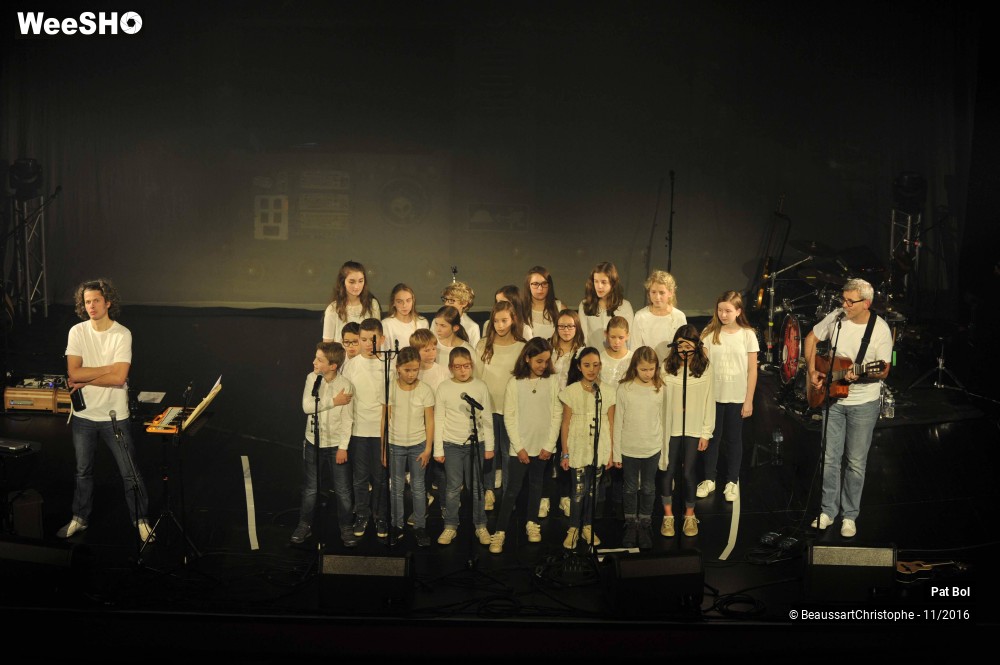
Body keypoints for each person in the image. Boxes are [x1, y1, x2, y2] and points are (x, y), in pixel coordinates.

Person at [59, 278, 152, 541]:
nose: (91, 306)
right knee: (82, 471)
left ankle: (141, 519)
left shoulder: (122, 334)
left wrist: (84, 378)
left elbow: (119, 379)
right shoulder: (77, 332)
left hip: (114, 417)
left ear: (108, 302)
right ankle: (80, 518)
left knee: (129, 472)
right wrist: (106, 368)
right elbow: (72, 372)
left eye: (96, 300)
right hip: (84, 416)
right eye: (87, 302)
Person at [804, 278, 892, 538]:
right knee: (830, 458)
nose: (844, 304)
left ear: (866, 303)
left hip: (863, 403)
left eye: (850, 301)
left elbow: (884, 369)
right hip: (832, 400)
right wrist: (811, 370)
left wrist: (862, 375)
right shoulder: (837, 318)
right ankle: (827, 511)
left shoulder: (881, 330)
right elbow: (811, 339)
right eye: (843, 299)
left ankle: (849, 515)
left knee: (854, 462)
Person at [489, 339, 561, 553]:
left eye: (547, 361)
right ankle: (500, 532)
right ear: (527, 358)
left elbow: (557, 414)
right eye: (539, 361)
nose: (543, 366)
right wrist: (519, 447)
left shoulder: (553, 381)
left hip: (543, 448)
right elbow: (509, 417)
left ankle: (532, 523)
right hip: (519, 448)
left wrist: (549, 445)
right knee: (512, 490)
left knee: (537, 486)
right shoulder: (515, 383)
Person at [291, 342, 355, 547]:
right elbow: (307, 407)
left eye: (319, 359)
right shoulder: (312, 378)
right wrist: (333, 402)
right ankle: (304, 525)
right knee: (310, 488)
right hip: (313, 442)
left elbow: (348, 419)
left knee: (343, 490)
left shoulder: (346, 385)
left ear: (333, 365)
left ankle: (346, 527)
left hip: (336, 444)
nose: (314, 362)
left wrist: (343, 447)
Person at [697, 291, 759, 502]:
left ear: (738, 311)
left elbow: (752, 370)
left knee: (733, 440)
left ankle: (732, 481)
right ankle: (709, 479)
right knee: (712, 439)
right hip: (713, 397)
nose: (723, 314)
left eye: (728, 311)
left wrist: (749, 399)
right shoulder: (709, 333)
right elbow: (702, 367)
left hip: (736, 397)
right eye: (720, 310)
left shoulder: (747, 334)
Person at [434, 347, 495, 546]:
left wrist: (489, 446)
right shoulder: (443, 388)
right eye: (458, 367)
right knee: (453, 488)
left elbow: (486, 417)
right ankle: (450, 525)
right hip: (451, 444)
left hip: (476, 444)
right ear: (451, 367)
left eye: (466, 366)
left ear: (472, 366)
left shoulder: (480, 386)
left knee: (476, 487)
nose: (463, 370)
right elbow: (439, 419)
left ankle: (480, 525)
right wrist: (438, 449)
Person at [659, 325, 715, 538]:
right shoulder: (667, 366)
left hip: (693, 429)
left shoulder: (706, 367)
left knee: (688, 472)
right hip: (670, 428)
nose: (684, 349)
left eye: (688, 345)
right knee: (668, 470)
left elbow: (710, 400)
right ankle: (668, 516)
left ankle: (689, 515)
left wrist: (705, 432)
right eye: (680, 344)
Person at [559, 347, 616, 549]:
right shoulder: (571, 392)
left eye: (595, 365)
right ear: (579, 367)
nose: (592, 369)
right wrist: (565, 452)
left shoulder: (607, 391)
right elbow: (565, 423)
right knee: (578, 490)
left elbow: (611, 423)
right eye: (587, 365)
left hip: (599, 447)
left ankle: (588, 526)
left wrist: (610, 452)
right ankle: (574, 527)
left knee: (594, 491)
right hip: (578, 445)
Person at [474, 301, 527, 511]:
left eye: (504, 320)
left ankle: (507, 494)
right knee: (490, 451)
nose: (500, 325)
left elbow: (522, 379)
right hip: (487, 407)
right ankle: (488, 491)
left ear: (513, 319)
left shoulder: (522, 347)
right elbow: (477, 376)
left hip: (509, 409)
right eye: (496, 321)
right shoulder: (483, 344)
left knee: (508, 452)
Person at [613, 346, 665, 550]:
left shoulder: (660, 388)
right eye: (643, 369)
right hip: (629, 448)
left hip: (652, 447)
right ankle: (631, 523)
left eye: (651, 369)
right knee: (630, 487)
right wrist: (616, 452)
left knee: (649, 487)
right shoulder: (624, 389)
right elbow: (618, 421)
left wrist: (664, 453)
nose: (648, 373)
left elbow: (664, 421)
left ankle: (645, 522)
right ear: (635, 367)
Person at [341, 318, 389, 541]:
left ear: (382, 338)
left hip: (381, 432)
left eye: (373, 339)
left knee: (380, 477)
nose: (368, 344)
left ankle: (380, 516)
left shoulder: (388, 363)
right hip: (359, 431)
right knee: (360, 478)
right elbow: (347, 400)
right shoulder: (351, 365)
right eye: (363, 339)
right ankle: (362, 514)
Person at [386, 347, 434, 547]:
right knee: (396, 487)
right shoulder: (390, 387)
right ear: (398, 368)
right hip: (395, 444)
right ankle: (396, 526)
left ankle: (420, 526)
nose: (411, 374)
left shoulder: (425, 390)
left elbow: (429, 421)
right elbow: (385, 417)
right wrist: (383, 448)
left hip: (418, 445)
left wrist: (428, 449)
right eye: (407, 370)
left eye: (415, 370)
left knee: (418, 486)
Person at [548, 309, 585, 517]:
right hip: (548, 408)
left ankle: (564, 497)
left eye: (570, 326)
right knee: (546, 453)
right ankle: (544, 498)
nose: (566, 330)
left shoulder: (581, 351)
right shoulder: (549, 348)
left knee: (566, 453)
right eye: (562, 326)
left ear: (577, 327)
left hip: (570, 409)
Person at [631, 270, 687, 362]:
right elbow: (635, 348)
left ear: (670, 292)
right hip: (647, 368)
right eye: (653, 292)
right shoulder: (640, 316)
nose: (657, 297)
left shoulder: (679, 317)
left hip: (672, 368)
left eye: (661, 292)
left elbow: (682, 347)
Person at [578, 261, 634, 349]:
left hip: (618, 360)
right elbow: (582, 338)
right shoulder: (585, 305)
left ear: (612, 283)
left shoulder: (625, 306)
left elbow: (630, 340)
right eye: (596, 281)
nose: (599, 286)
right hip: (593, 359)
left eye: (603, 282)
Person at [322, 261, 380, 343]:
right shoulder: (333, 309)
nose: (357, 286)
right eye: (352, 282)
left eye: (360, 281)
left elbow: (376, 339)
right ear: (343, 282)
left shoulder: (372, 305)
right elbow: (327, 345)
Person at [382, 283, 429, 352]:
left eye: (408, 300)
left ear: (413, 301)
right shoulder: (386, 324)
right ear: (393, 303)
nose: (404, 305)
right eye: (399, 302)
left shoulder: (422, 323)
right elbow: (384, 353)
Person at [522, 266, 563, 341]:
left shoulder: (559, 308)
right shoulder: (520, 309)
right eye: (535, 284)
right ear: (528, 286)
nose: (540, 288)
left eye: (544, 283)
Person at [441, 281, 481, 350]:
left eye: (451, 300)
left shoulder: (473, 327)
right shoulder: (437, 321)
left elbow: (474, 354)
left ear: (464, 303)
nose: (446, 304)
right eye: (445, 299)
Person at [599, 316, 633, 386]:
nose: (617, 342)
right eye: (613, 337)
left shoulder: (632, 359)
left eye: (621, 338)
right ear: (606, 334)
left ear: (627, 336)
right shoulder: (600, 358)